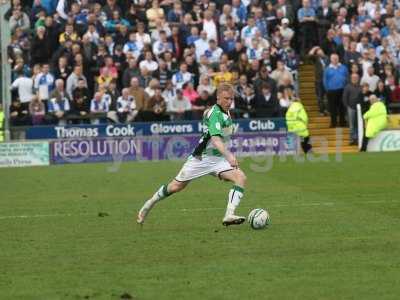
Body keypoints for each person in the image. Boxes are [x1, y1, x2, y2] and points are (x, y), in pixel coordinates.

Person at [137, 84, 247, 226]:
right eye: (226, 98)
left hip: (218, 160)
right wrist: (229, 156)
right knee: (176, 187)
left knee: (240, 177)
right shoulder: (215, 114)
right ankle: (149, 204)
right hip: (201, 158)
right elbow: (215, 139)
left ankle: (229, 215)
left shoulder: (225, 111)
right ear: (218, 98)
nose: (229, 102)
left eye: (231, 99)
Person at [323, 54, 348, 127]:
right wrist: (327, 90)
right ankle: (333, 123)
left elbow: (347, 77)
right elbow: (325, 80)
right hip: (331, 91)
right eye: (333, 58)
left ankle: (342, 122)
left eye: (336, 58)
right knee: (332, 108)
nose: (335, 60)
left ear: (338, 58)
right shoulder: (327, 69)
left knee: (342, 107)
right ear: (331, 59)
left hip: (342, 90)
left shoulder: (343, 67)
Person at [342, 73, 362, 145]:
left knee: (358, 124)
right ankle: (351, 140)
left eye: (356, 78)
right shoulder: (347, 87)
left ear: (358, 78)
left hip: (359, 109)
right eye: (353, 78)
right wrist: (347, 107)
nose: (355, 79)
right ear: (351, 79)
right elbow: (344, 98)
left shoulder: (360, 87)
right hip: (351, 108)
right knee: (351, 125)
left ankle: (357, 139)